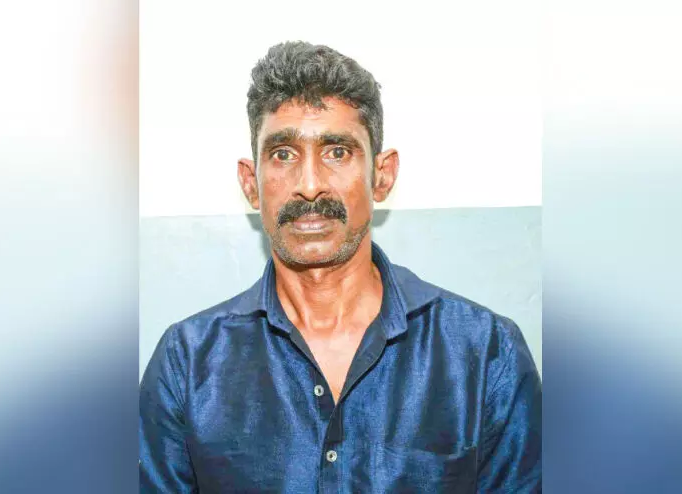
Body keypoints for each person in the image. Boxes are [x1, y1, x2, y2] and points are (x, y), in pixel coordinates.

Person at [139, 40, 541, 493]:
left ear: (382, 175)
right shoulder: (187, 362)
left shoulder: (486, 354)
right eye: (283, 154)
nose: (310, 186)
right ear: (251, 185)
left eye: (337, 152)